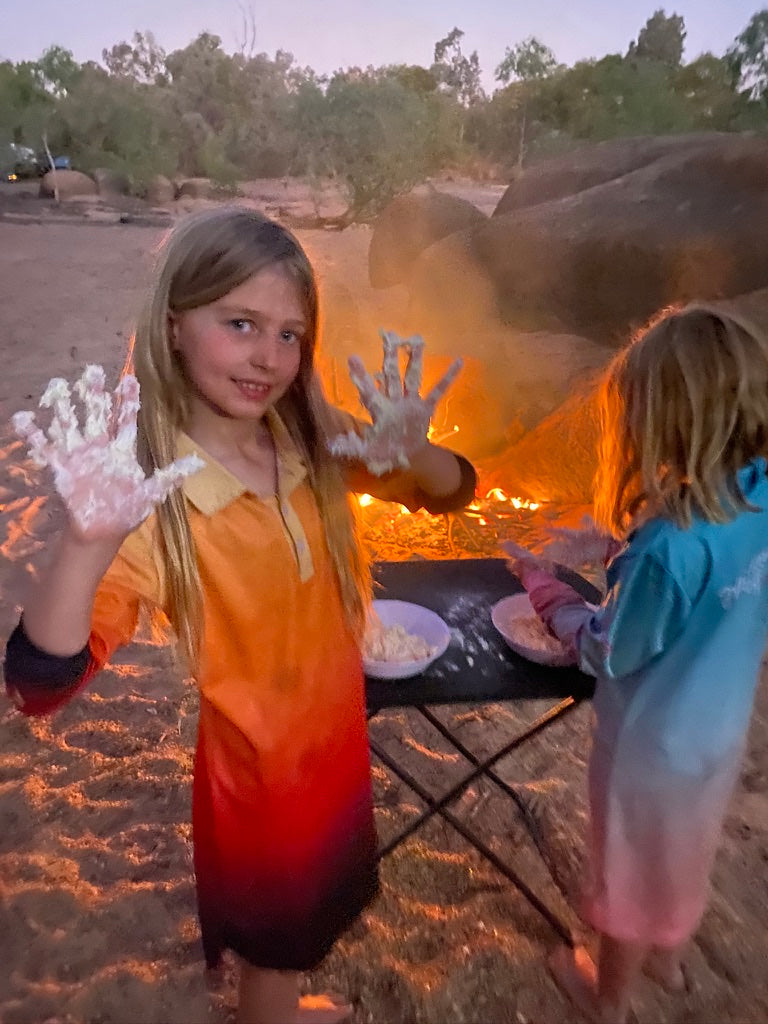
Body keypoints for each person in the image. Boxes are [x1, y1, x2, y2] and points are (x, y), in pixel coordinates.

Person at [3, 206, 477, 1024]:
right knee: (276, 942)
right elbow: (38, 683)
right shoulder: (151, 502)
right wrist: (86, 543)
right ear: (176, 323)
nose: (268, 357)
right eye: (241, 323)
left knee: (306, 930)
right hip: (260, 789)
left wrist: (415, 451)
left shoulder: (305, 441)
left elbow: (445, 493)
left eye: (290, 334)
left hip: (333, 747)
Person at [504, 303, 768, 1023]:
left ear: (662, 426)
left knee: (625, 867)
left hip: (651, 746)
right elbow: (714, 578)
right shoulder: (760, 496)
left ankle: (607, 998)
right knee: (688, 846)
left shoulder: (668, 547)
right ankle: (673, 964)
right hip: (718, 734)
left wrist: (544, 585)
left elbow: (605, 648)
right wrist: (615, 541)